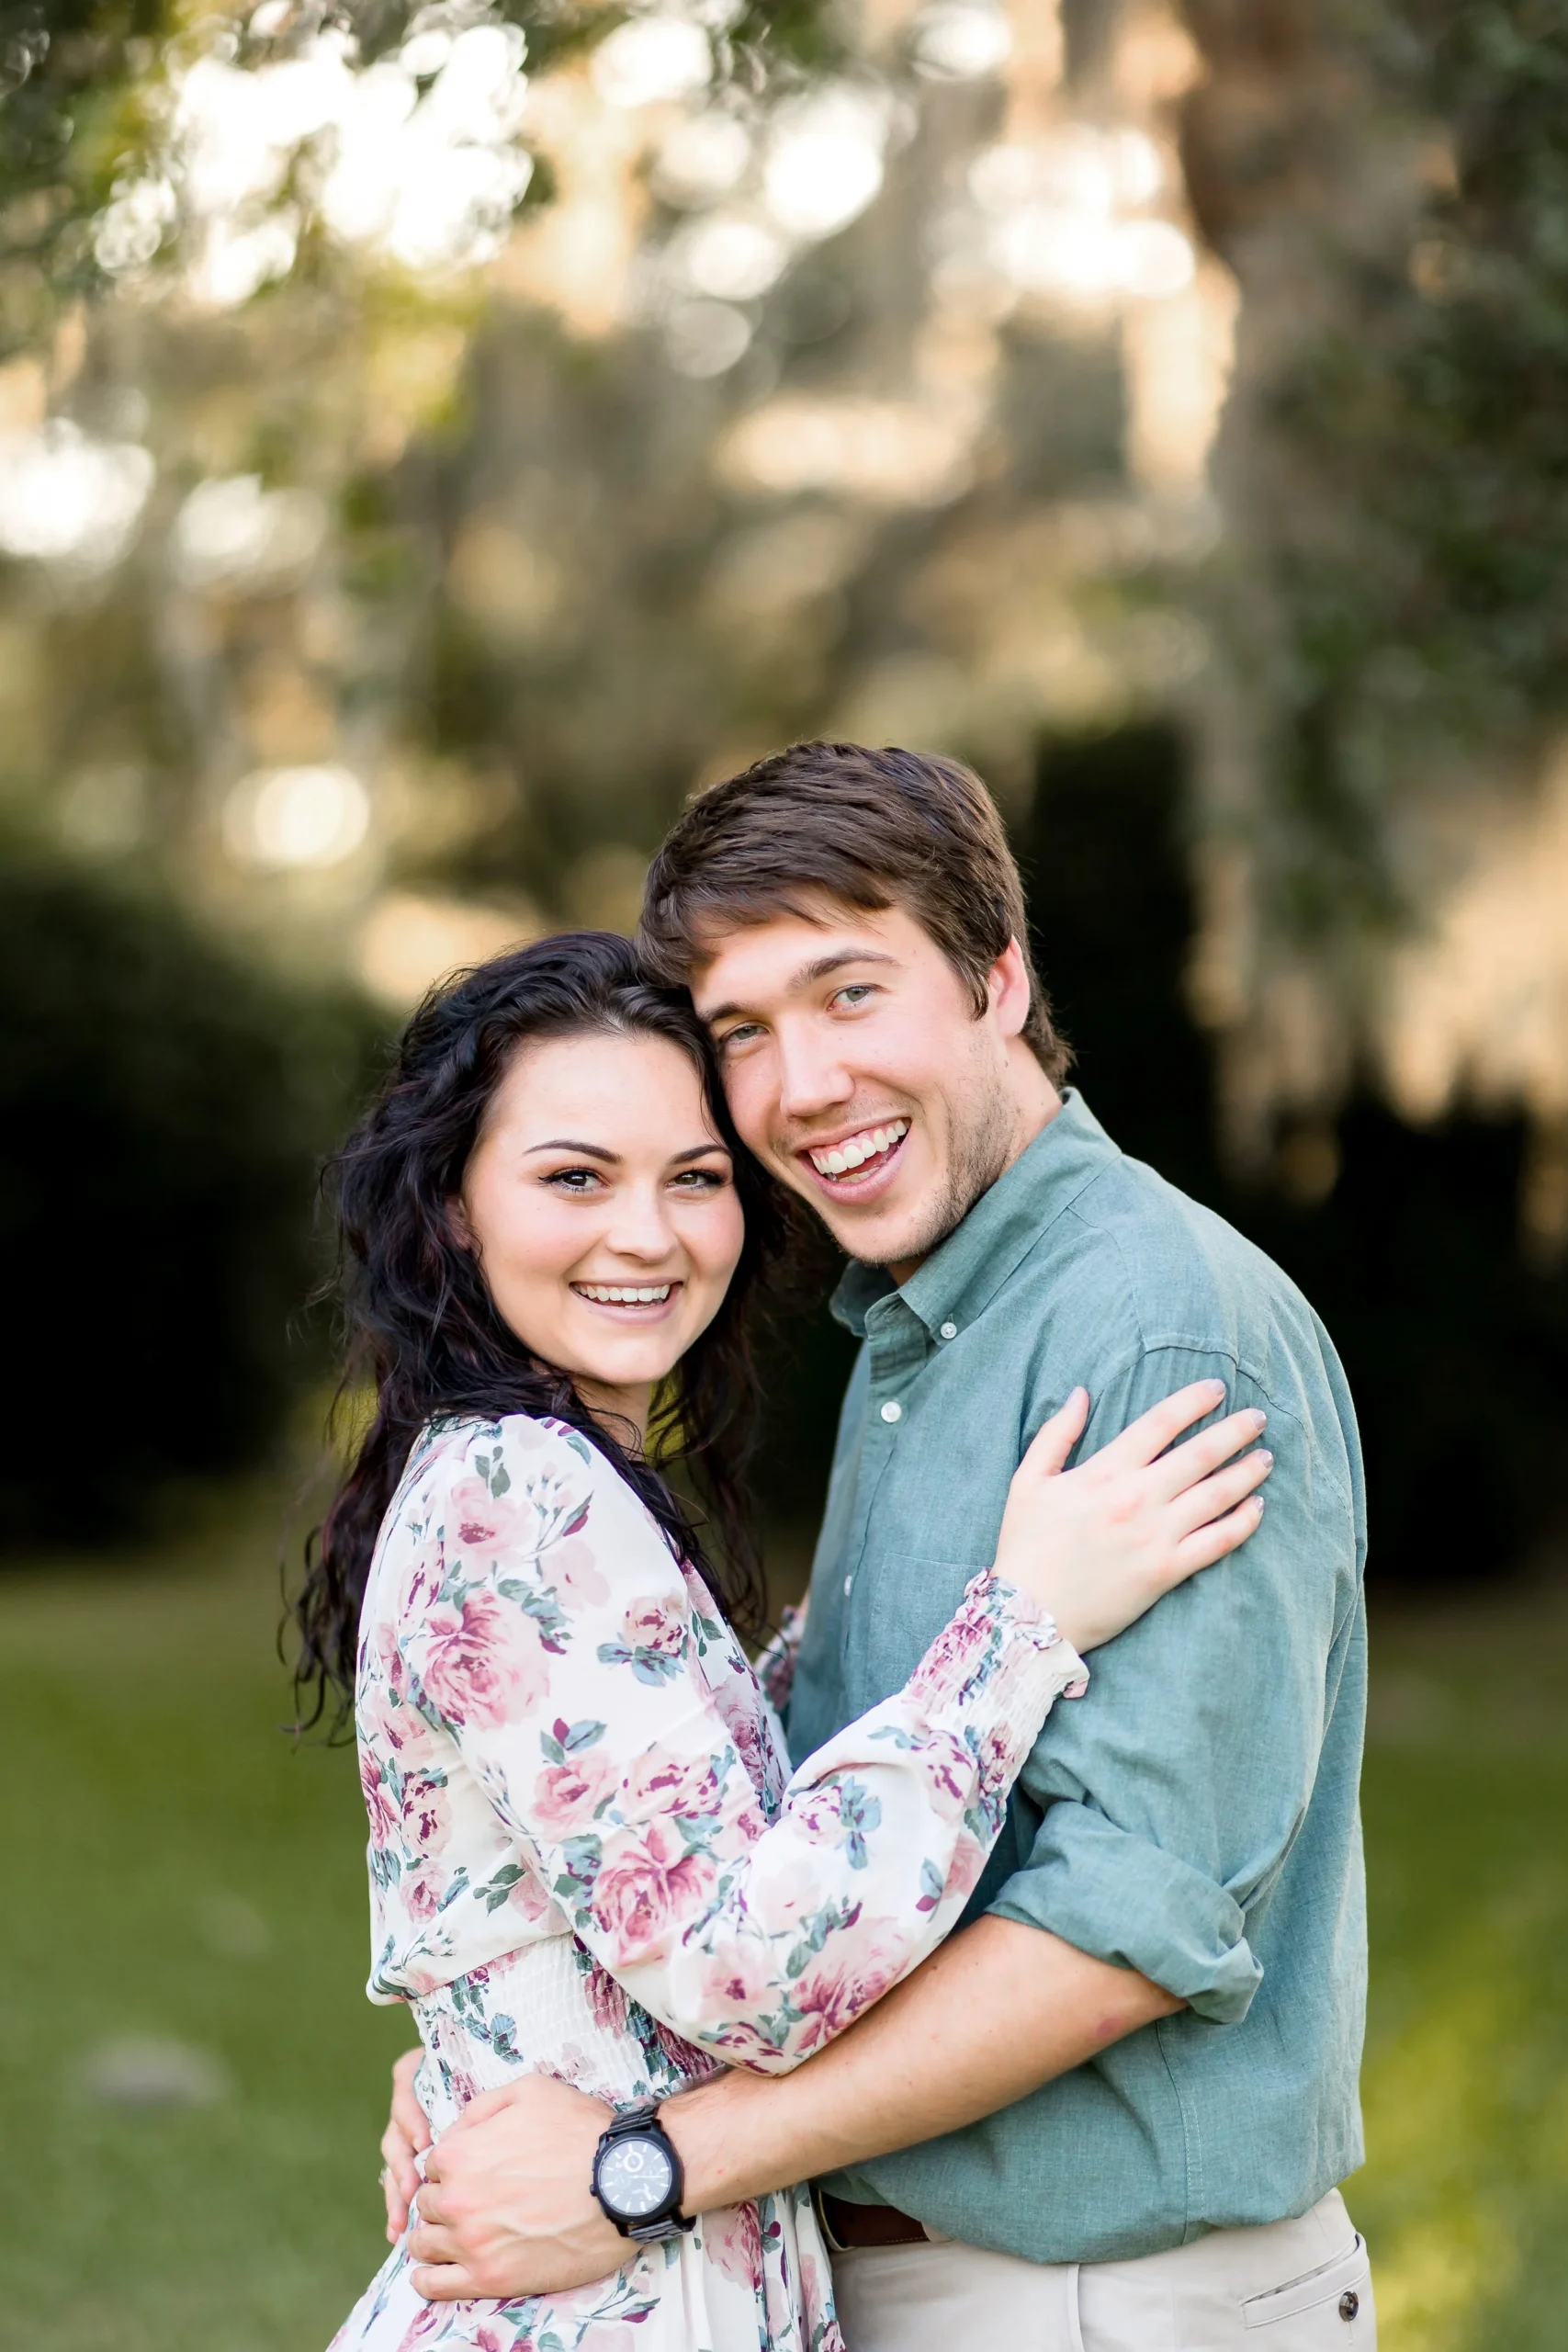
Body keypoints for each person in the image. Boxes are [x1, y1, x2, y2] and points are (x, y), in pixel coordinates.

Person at [380, 743, 1376, 2351]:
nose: (800, 1087)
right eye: (742, 1035)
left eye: (849, 994)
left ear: (997, 979)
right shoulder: (927, 1324)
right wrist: (504, 2076)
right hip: (878, 2273)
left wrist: (640, 2165)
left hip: (1086, 2303)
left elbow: (1116, 1934)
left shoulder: (1151, 1335)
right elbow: (740, 1833)